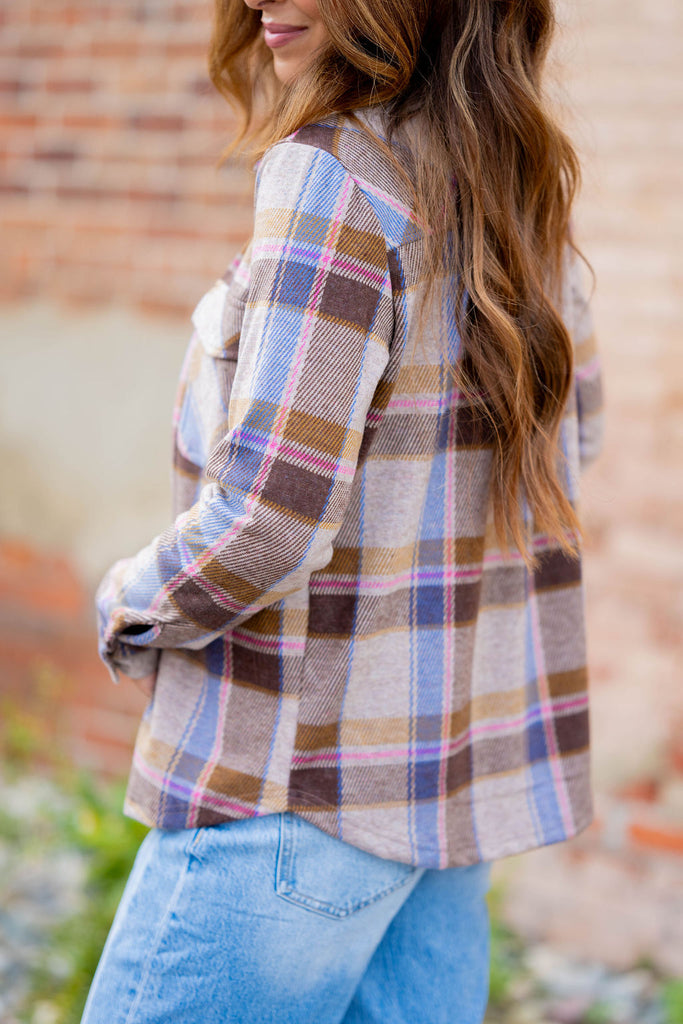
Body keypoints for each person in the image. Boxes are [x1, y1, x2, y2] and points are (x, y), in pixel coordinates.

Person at [82, 0, 604, 1020]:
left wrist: (128, 605)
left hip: (291, 792)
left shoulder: (333, 178)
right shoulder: (519, 181)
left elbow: (268, 519)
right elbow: (567, 455)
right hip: (439, 799)